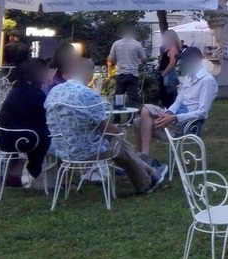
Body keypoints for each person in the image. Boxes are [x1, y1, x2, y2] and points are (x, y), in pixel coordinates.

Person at [44, 57, 167, 192]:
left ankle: (151, 174)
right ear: (88, 73)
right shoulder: (87, 94)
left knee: (120, 144)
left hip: (63, 149)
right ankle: (148, 180)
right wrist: (118, 131)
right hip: (87, 151)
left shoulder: (54, 92)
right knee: (119, 142)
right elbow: (107, 129)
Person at [134, 47, 217, 162]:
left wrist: (174, 117)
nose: (183, 64)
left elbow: (202, 112)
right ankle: (141, 161)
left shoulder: (207, 80)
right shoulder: (189, 76)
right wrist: (169, 113)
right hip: (174, 118)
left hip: (187, 125)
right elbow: (178, 101)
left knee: (145, 109)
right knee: (137, 122)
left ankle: (144, 157)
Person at [0, 58, 51, 188]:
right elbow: (46, 115)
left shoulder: (18, 90)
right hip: (22, 138)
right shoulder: (34, 93)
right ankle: (36, 170)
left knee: (44, 130)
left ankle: (20, 172)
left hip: (4, 137)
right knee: (48, 134)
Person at [107, 26, 146, 107]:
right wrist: (138, 61)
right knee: (132, 97)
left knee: (118, 96)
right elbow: (144, 59)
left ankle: (117, 116)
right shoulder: (137, 44)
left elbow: (111, 60)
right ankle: (130, 116)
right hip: (132, 74)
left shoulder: (116, 44)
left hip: (120, 73)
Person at [157, 29, 182, 108]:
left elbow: (172, 63)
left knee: (168, 97)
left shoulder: (173, 49)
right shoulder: (168, 48)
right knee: (165, 97)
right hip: (165, 74)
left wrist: (163, 74)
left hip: (168, 75)